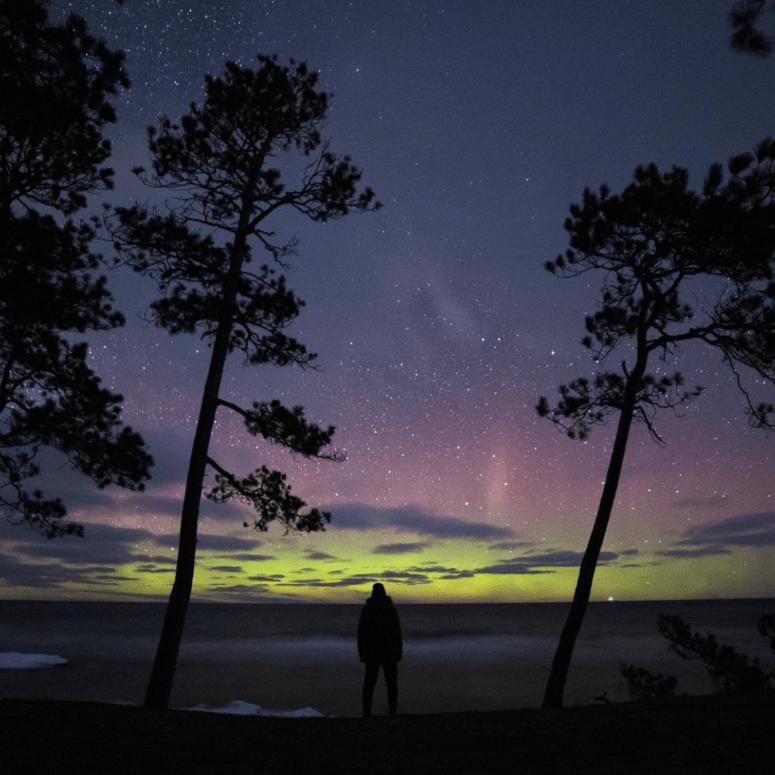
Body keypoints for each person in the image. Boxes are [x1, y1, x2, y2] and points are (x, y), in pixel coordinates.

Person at [357, 582, 403, 717]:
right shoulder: (390, 609)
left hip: (373, 653)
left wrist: (362, 652)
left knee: (369, 685)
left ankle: (367, 713)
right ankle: (392, 712)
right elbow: (397, 632)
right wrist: (399, 651)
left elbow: (361, 634)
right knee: (391, 684)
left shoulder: (367, 610)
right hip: (389, 652)